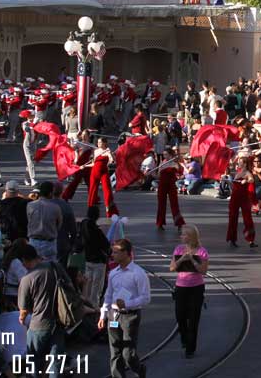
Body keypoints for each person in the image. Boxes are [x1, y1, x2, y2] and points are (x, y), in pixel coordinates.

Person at [100, 238, 151, 378]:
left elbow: (146, 298)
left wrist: (127, 304)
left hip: (130, 316)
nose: (113, 255)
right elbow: (109, 294)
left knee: (128, 354)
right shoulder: (113, 273)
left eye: (116, 252)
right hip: (114, 315)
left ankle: (139, 369)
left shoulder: (138, 273)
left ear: (126, 253)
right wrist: (103, 314)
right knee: (115, 352)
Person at [18, 243, 66, 378]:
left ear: (24, 260)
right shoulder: (55, 267)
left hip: (38, 325)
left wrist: (22, 319)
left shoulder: (27, 279)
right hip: (58, 322)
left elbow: (23, 310)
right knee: (56, 362)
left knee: (33, 361)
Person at [170, 224, 209, 358]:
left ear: (191, 236)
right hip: (181, 287)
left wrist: (192, 259)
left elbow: (203, 271)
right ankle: (184, 336)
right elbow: (172, 268)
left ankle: (190, 348)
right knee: (180, 316)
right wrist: (181, 259)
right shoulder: (178, 249)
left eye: (184, 234)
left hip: (196, 288)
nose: (181, 236)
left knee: (193, 318)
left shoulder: (202, 251)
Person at [81, 205, 111, 306]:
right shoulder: (97, 231)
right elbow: (105, 244)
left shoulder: (83, 226)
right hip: (98, 261)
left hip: (87, 259)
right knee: (96, 287)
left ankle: (86, 304)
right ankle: (94, 306)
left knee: (87, 285)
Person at [28, 182, 63, 262]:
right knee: (50, 269)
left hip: (34, 241)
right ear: (51, 193)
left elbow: (29, 220)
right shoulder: (55, 207)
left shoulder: (30, 205)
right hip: (49, 242)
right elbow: (59, 225)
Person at [227, 156, 257, 247]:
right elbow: (234, 186)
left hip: (243, 197)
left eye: (239, 162)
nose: (238, 163)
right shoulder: (237, 173)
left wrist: (247, 180)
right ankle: (232, 239)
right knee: (232, 217)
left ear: (244, 163)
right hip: (235, 197)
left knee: (247, 218)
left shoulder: (247, 172)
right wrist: (227, 182)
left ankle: (251, 240)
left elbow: (252, 179)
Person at [155, 149, 186, 230]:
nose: (165, 156)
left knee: (174, 204)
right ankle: (160, 223)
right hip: (162, 186)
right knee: (161, 204)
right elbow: (158, 175)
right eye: (164, 155)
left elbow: (180, 172)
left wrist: (177, 162)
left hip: (171, 185)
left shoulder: (174, 163)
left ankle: (179, 223)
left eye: (166, 154)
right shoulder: (162, 163)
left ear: (170, 155)